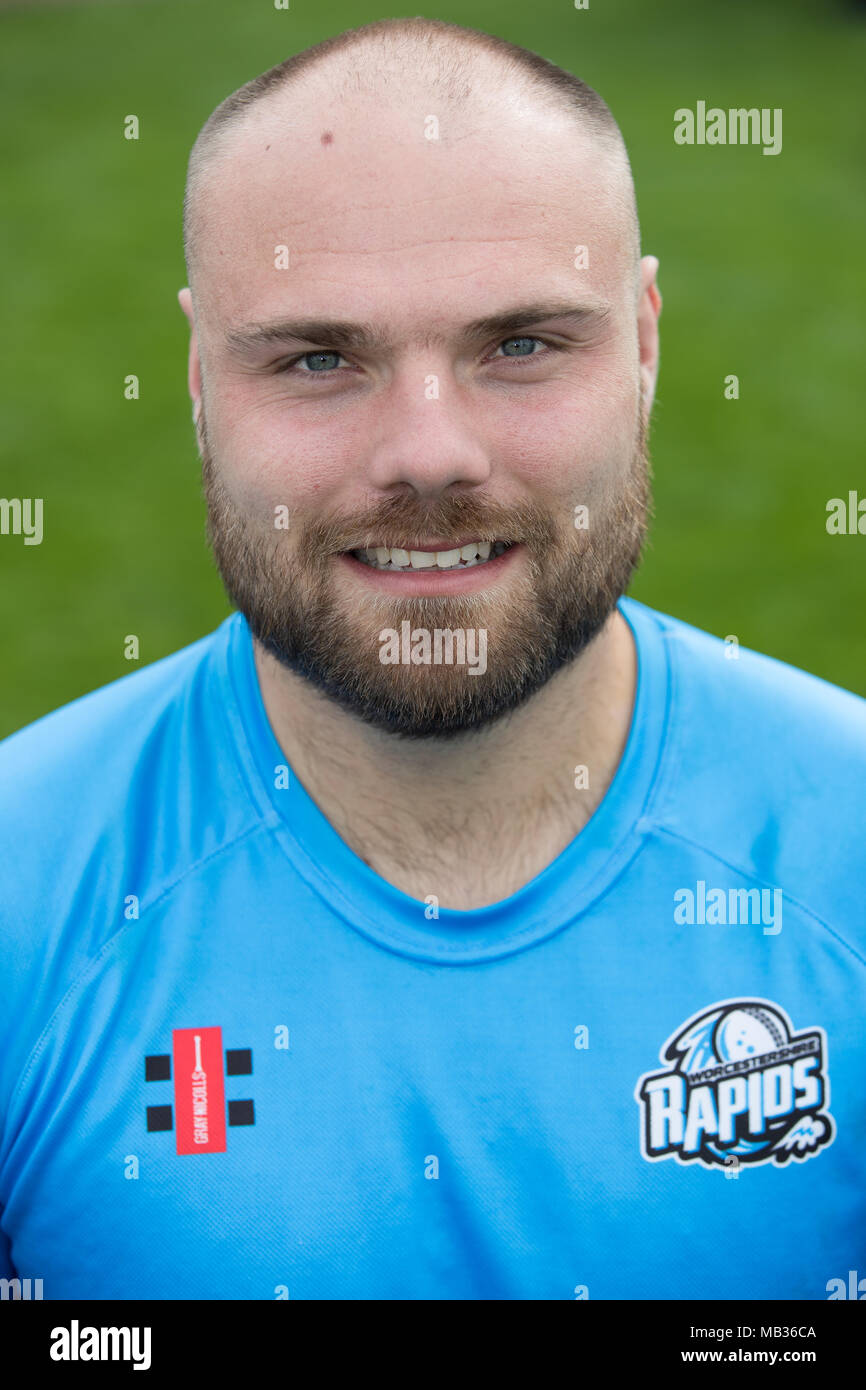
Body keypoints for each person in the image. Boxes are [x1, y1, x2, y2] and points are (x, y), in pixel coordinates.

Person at [0, 18, 863, 1301]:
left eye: (519, 344)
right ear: (195, 379)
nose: (428, 453)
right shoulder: (24, 896)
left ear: (643, 347)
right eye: (316, 357)